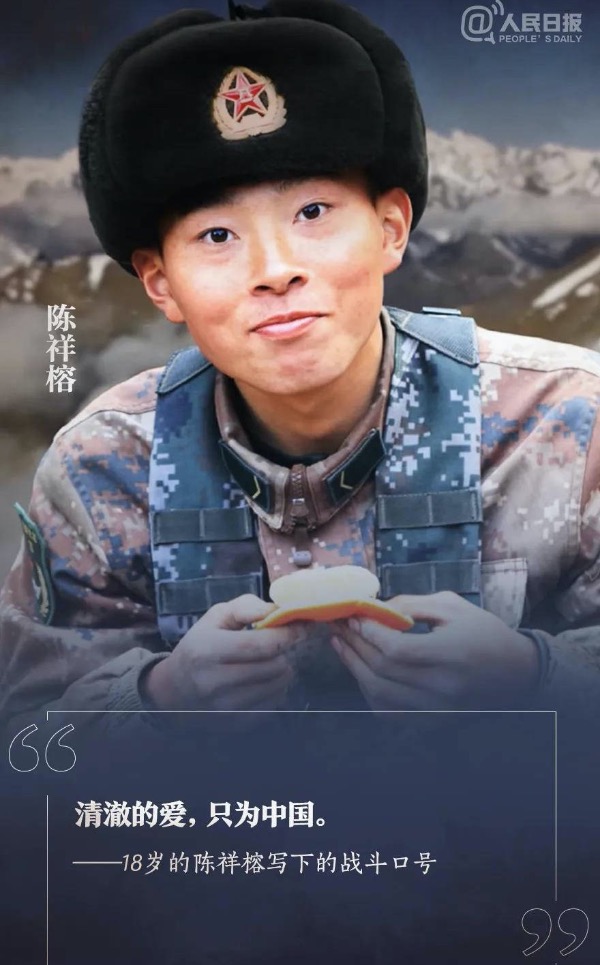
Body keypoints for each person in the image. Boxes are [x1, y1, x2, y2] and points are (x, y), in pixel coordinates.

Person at [2, 0, 600, 728]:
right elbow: (29, 745)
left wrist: (531, 676)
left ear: (391, 228)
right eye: (217, 235)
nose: (275, 269)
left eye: (313, 213)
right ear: (161, 283)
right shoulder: (104, 469)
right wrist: (161, 698)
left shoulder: (568, 425)